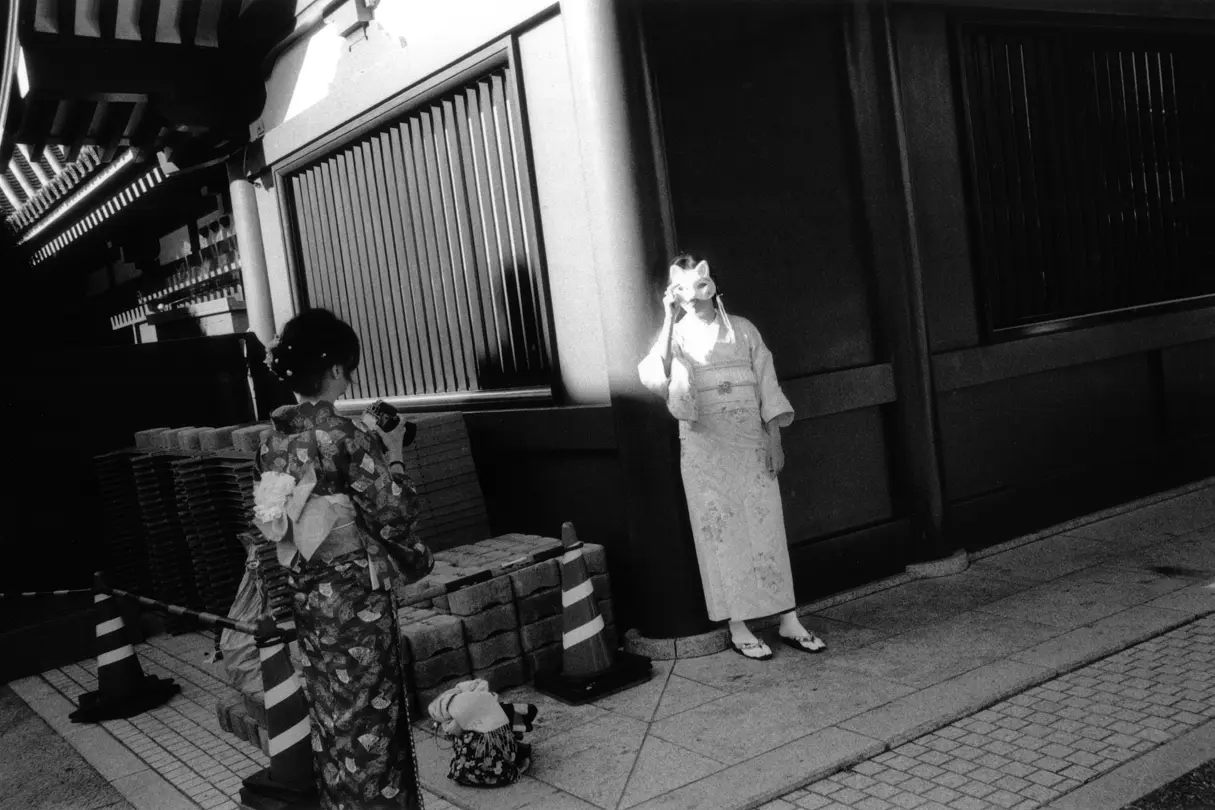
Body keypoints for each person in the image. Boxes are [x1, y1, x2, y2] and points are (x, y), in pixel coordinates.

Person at [253, 308, 431, 809]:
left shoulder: (272, 445)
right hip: (355, 602)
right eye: (347, 367)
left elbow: (272, 523)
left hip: (309, 596)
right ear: (333, 370)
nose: (349, 378)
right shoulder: (346, 437)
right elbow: (392, 513)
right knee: (371, 714)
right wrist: (393, 451)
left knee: (332, 712)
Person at [638, 254, 826, 661]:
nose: (691, 297)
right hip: (707, 449)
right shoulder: (677, 335)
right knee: (721, 535)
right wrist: (667, 318)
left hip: (750, 442)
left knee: (767, 528)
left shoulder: (743, 330)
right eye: (680, 290)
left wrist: (775, 440)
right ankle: (738, 624)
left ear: (712, 284)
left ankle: (788, 618)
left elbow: (767, 385)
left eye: (698, 286)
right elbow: (658, 373)